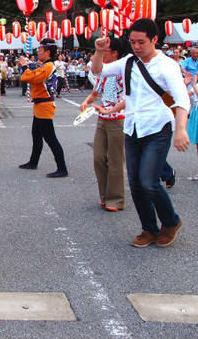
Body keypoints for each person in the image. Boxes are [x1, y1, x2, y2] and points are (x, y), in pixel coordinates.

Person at [91, 19, 190, 248]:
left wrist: (181, 129)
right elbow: (99, 71)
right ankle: (149, 229)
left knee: (148, 181)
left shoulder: (167, 65)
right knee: (135, 183)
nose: (136, 46)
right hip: (133, 127)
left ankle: (171, 221)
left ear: (155, 39)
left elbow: (181, 99)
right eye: (132, 42)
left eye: (141, 42)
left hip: (158, 128)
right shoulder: (128, 62)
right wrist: (98, 52)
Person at [80, 37, 128, 212]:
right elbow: (94, 93)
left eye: (104, 51)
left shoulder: (124, 72)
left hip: (119, 119)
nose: (97, 56)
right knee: (99, 158)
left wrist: (111, 110)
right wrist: (86, 102)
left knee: (115, 160)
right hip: (103, 118)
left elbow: (128, 99)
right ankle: (104, 195)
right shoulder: (105, 73)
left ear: (115, 53)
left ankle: (116, 199)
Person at [19, 39, 68, 178]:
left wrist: (24, 66)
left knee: (50, 138)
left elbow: (33, 78)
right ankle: (33, 161)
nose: (38, 53)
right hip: (41, 105)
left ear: (47, 52)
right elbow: (35, 73)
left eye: (40, 51)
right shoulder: (45, 65)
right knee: (36, 135)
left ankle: (62, 167)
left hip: (45, 106)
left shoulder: (48, 66)